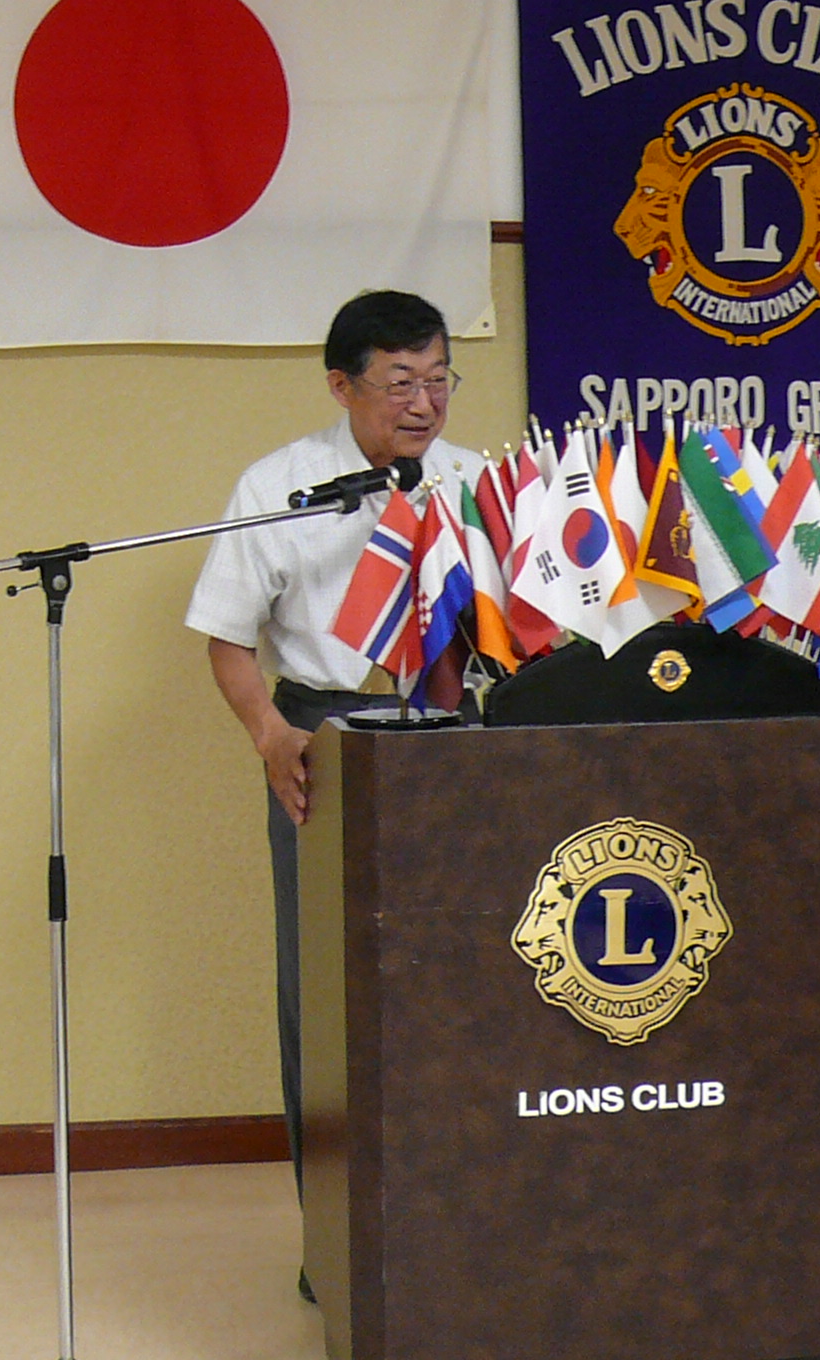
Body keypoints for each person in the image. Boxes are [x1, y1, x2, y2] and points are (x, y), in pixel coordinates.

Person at [184, 290, 479, 1226]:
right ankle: (337, 1231)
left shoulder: (476, 482)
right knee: (325, 983)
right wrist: (272, 738)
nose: (424, 404)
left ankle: (464, 1210)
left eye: (439, 380)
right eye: (400, 383)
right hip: (326, 736)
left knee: (468, 968)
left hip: (458, 733)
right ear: (342, 386)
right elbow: (228, 638)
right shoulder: (280, 486)